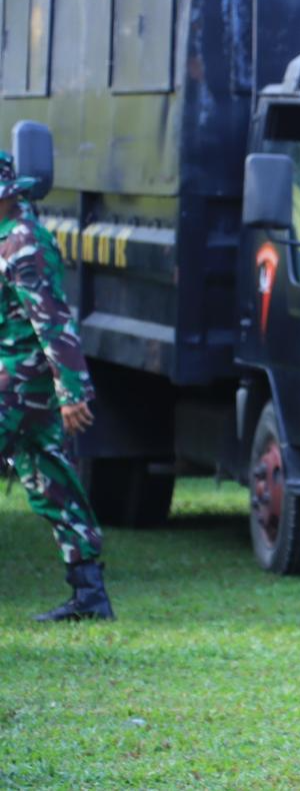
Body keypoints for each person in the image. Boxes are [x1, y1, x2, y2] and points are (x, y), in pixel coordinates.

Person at [0, 151, 111, 622]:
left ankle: (89, 594)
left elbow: (53, 322)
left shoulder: (22, 244)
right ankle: (90, 594)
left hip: (18, 381)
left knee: (51, 475)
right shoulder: (9, 237)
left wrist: (72, 393)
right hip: (22, 380)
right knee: (52, 480)